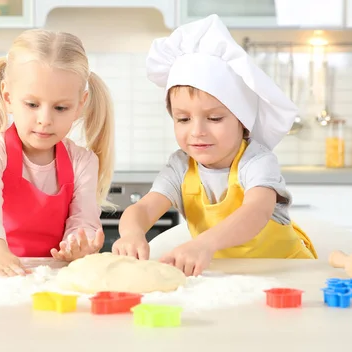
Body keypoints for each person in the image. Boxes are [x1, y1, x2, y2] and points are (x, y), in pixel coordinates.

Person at [112, 14, 317, 276]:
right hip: (227, 277)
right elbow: (143, 207)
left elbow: (256, 211)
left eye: (215, 118)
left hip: (286, 273)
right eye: (183, 119)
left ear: (242, 121)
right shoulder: (180, 167)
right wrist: (132, 233)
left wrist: (204, 244)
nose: (197, 131)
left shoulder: (256, 161)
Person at [0, 29, 115, 277]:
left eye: (61, 108)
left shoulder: (82, 162)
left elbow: (84, 220)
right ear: (8, 97)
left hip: (47, 276)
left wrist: (78, 244)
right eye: (32, 105)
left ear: (79, 105)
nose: (45, 120)